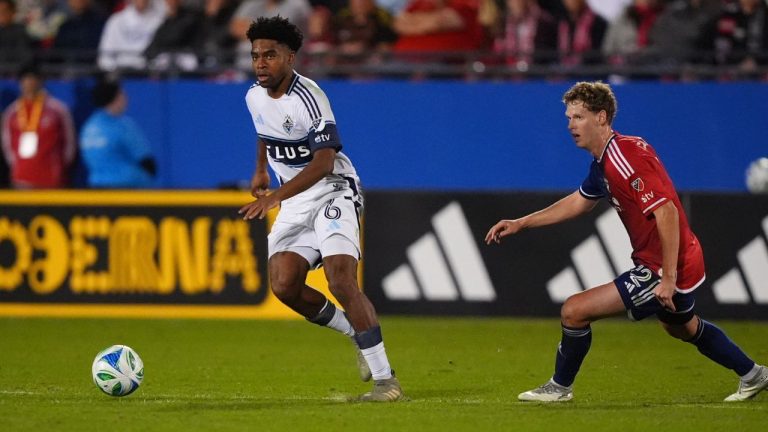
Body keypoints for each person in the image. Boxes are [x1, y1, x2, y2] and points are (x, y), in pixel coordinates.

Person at [485, 81, 768, 403]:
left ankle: (559, 388)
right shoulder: (605, 161)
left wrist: (668, 279)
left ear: (601, 117)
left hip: (663, 266)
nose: (570, 126)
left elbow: (667, 211)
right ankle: (755, 374)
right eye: (568, 118)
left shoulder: (625, 157)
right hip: (675, 258)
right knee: (682, 327)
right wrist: (521, 222)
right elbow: (579, 202)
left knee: (574, 311)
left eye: (578, 117)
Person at [238, 16, 403, 402]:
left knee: (340, 278)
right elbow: (264, 130)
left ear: (290, 57)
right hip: (293, 199)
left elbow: (324, 162)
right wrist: (261, 169)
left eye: (270, 55)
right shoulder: (253, 95)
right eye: (256, 56)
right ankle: (356, 335)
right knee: (283, 284)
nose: (261, 63)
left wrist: (274, 197)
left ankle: (386, 382)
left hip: (332, 190)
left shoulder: (309, 97)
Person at [1, 64, 76, 188]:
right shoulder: (12, 112)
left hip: (52, 178)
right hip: (22, 178)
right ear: (20, 83)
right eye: (26, 80)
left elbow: (69, 143)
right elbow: (7, 145)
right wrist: (19, 166)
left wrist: (58, 167)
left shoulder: (57, 109)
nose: (29, 83)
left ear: (40, 81)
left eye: (33, 79)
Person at [79, 78, 156, 188]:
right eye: (122, 94)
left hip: (96, 188)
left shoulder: (88, 127)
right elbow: (147, 162)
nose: (126, 98)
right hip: (127, 189)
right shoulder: (122, 125)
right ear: (116, 98)